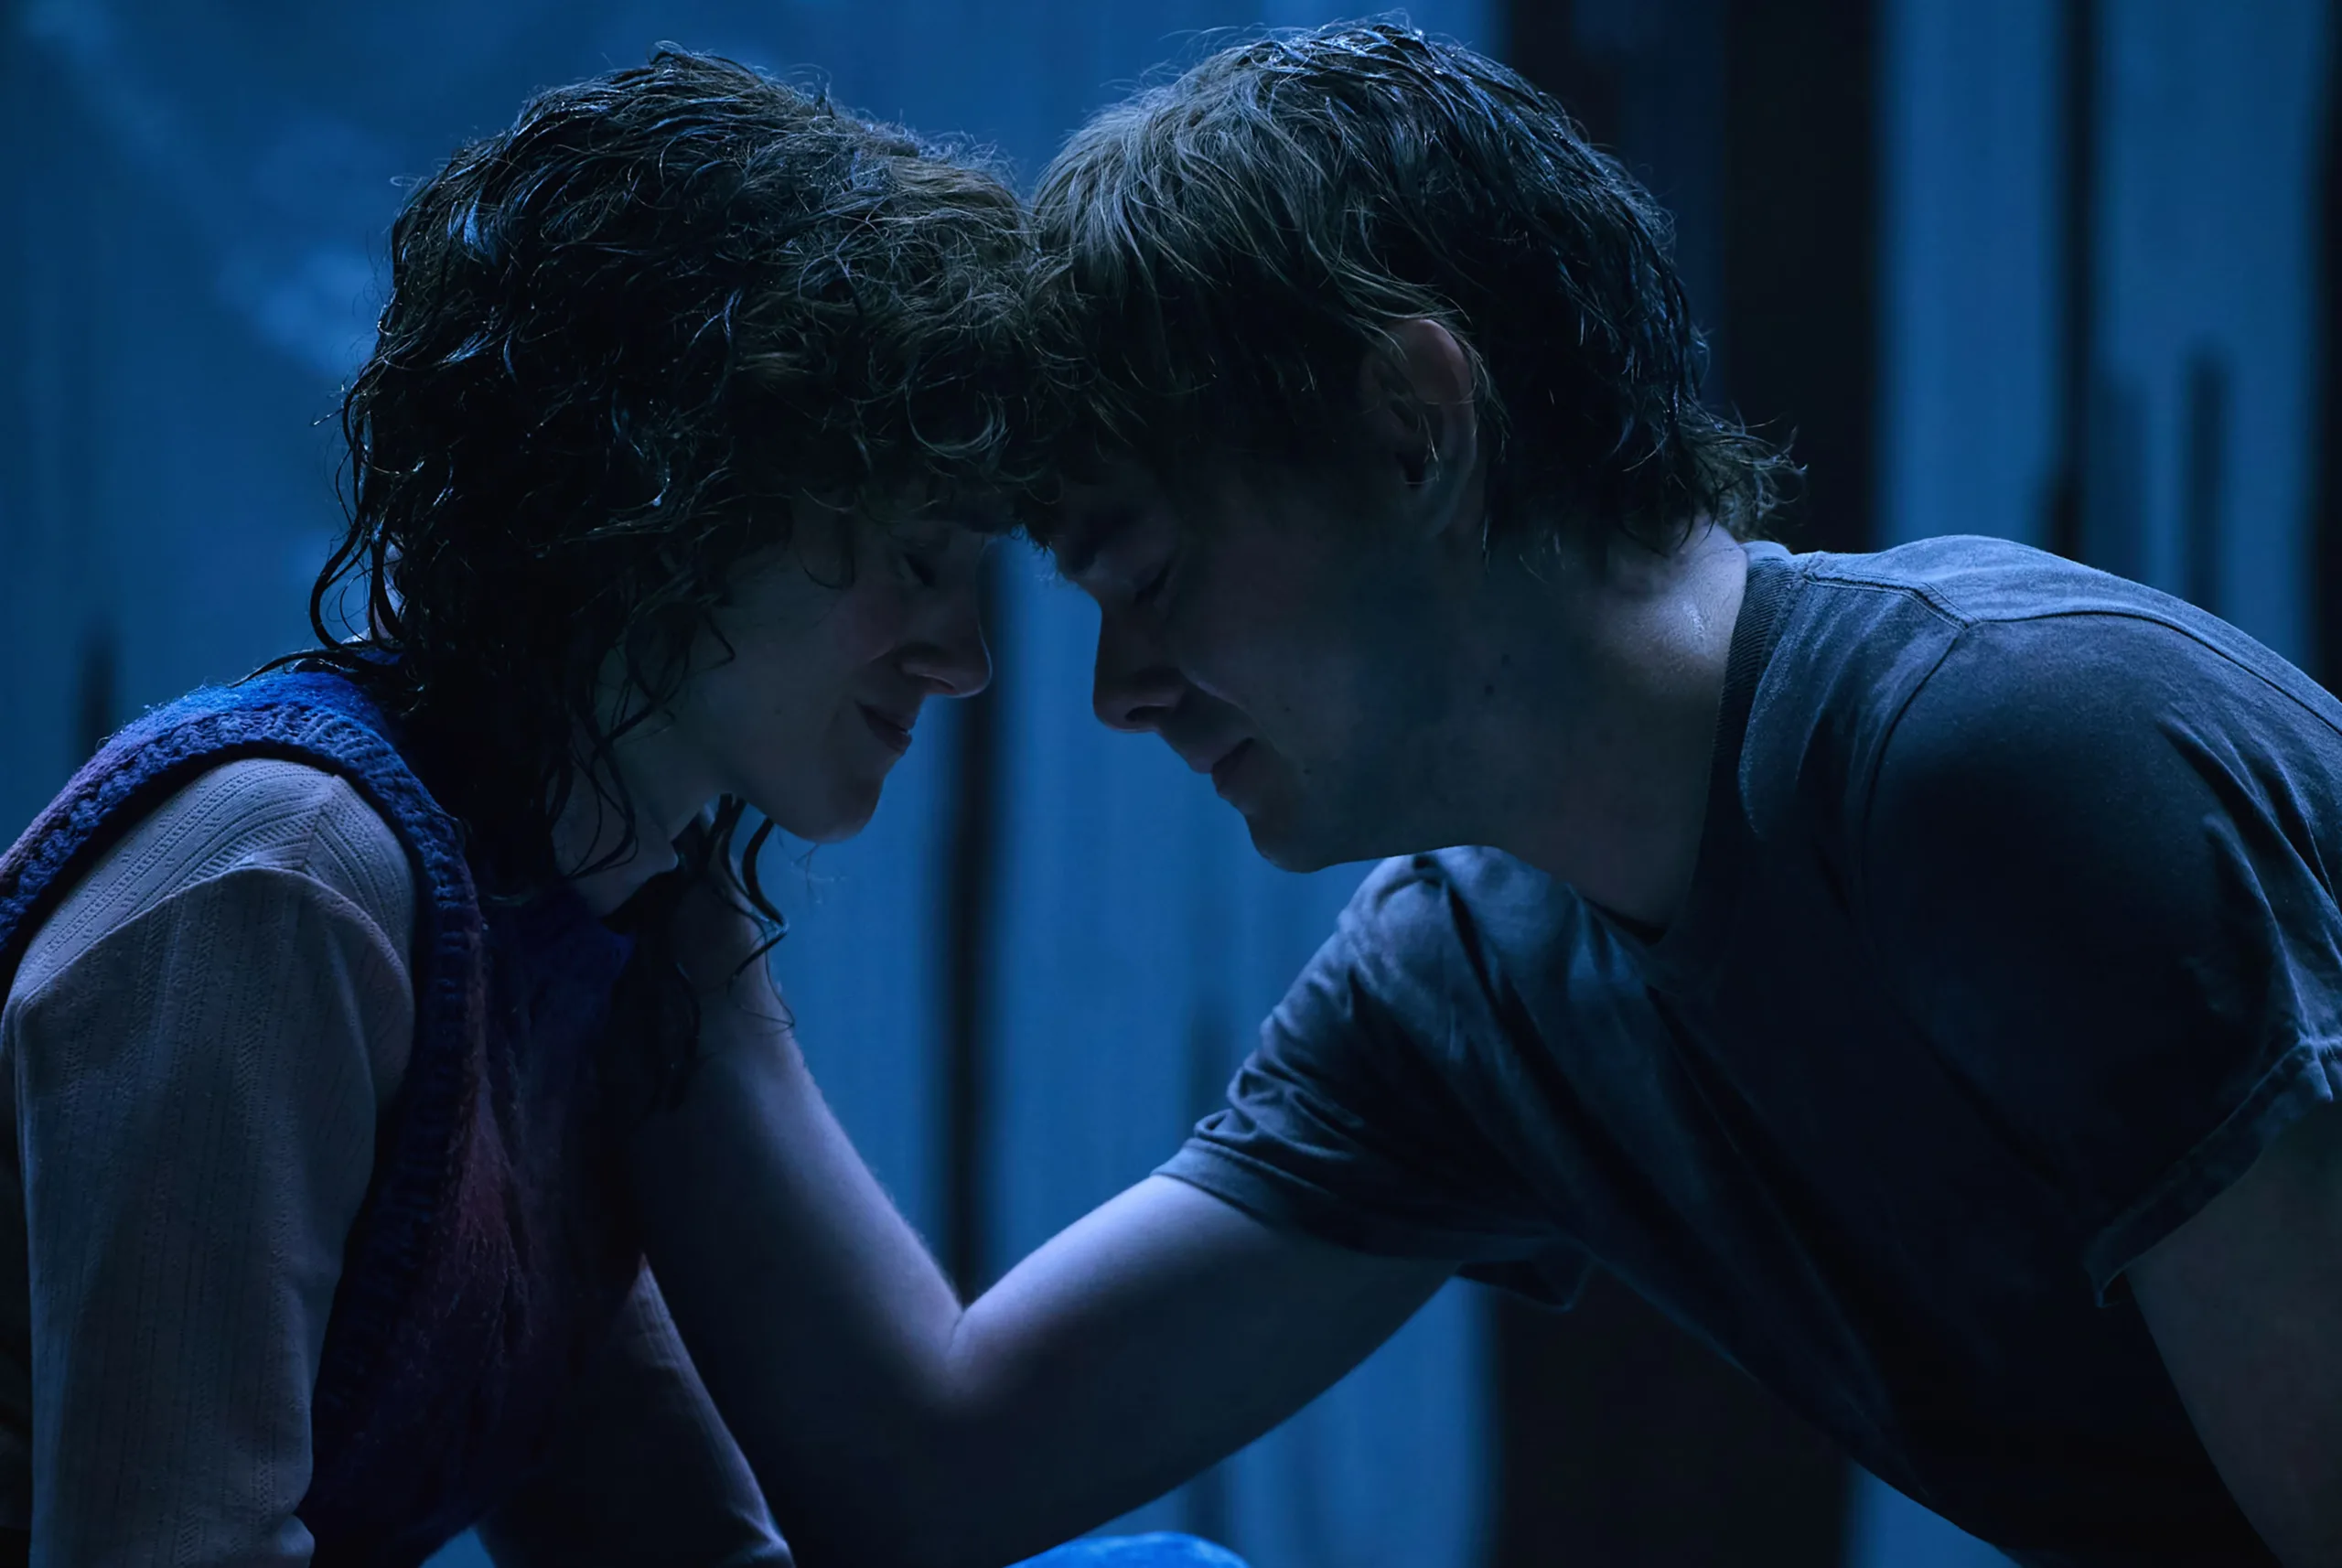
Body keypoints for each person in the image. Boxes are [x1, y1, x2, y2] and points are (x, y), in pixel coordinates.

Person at [633, 23, 2342, 1568]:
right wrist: (653, 821)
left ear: (1413, 427)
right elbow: (940, 1475)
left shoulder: (2013, 760)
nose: (1118, 690)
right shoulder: (1478, 982)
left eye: (1147, 575)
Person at [0, 47, 1124, 1568]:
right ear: (678, 501)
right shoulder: (283, 886)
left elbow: (668, 1540)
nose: (964, 659)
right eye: (917, 560)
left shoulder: (565, 924)